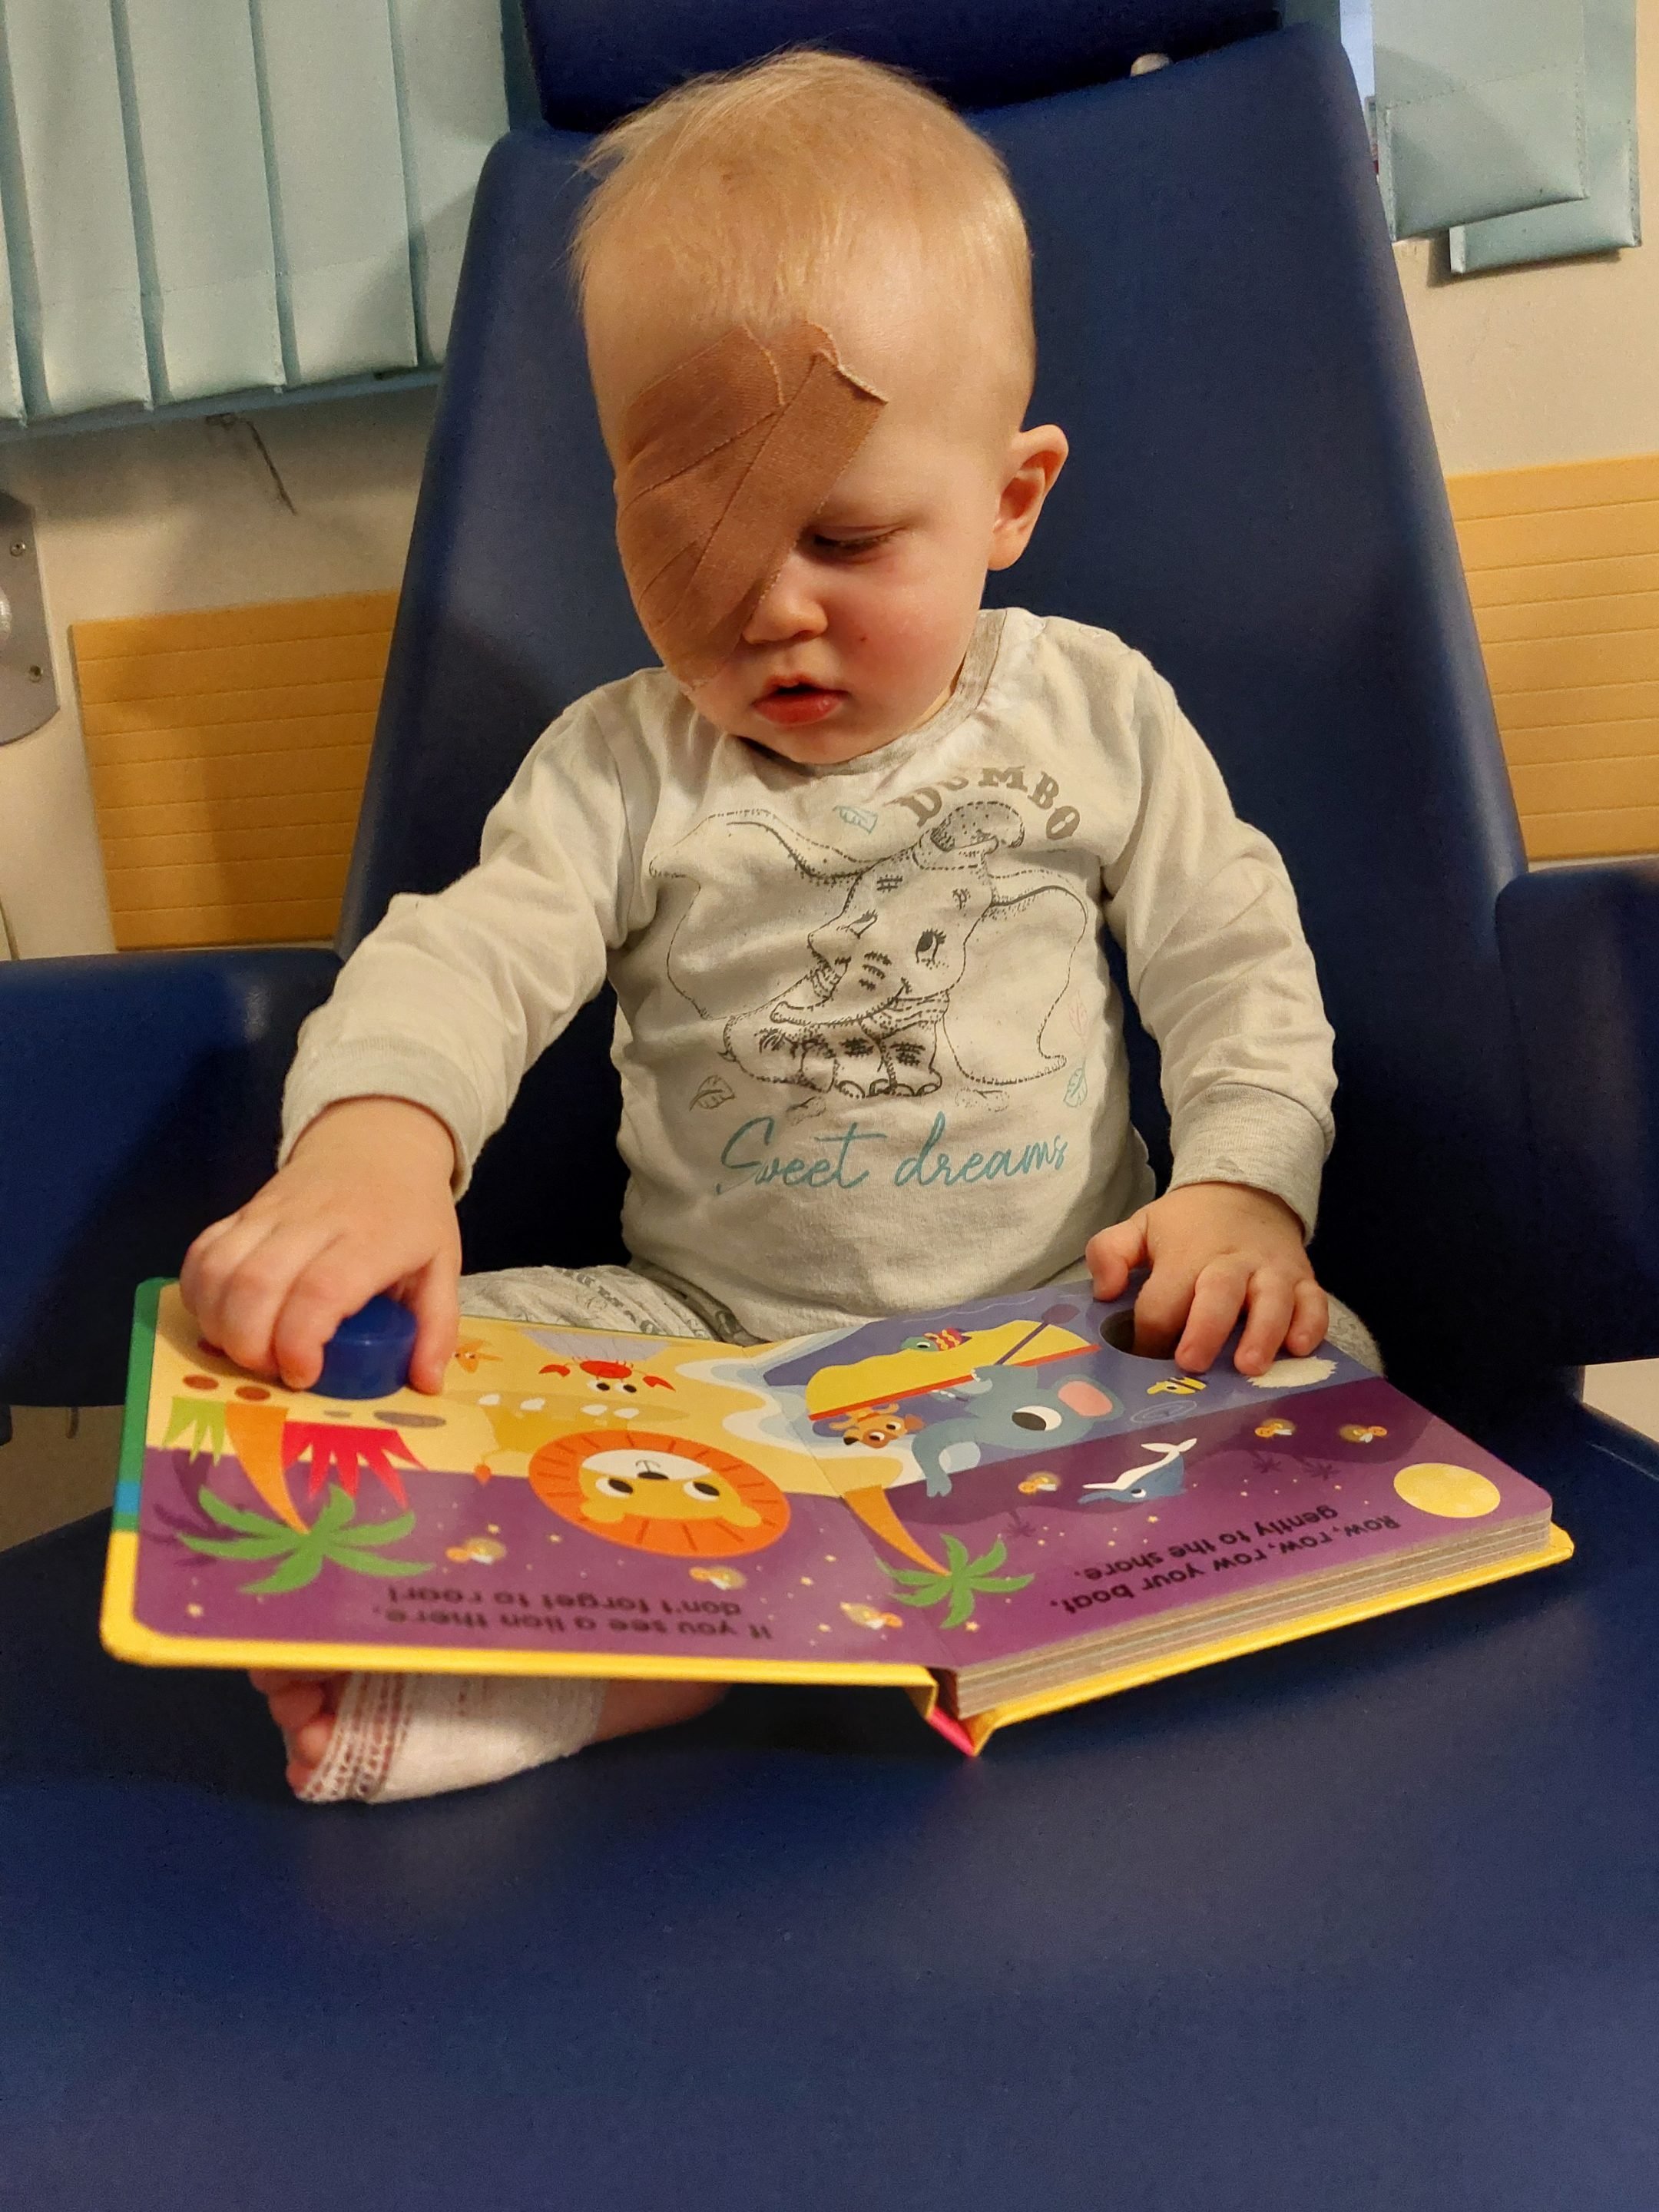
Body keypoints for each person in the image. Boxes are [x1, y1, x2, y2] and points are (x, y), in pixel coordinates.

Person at [182, 49, 1375, 1805]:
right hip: (718, 1356)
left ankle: (750, 1644)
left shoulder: (1096, 711)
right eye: (697, 547)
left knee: (1318, 1366)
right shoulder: (619, 765)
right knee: (385, 1385)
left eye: (844, 534)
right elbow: (468, 951)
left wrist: (1245, 1191)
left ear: (1013, 498)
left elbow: (1236, 963)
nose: (774, 614)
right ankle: (593, 1666)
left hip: (1064, 1339)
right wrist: (374, 1148)